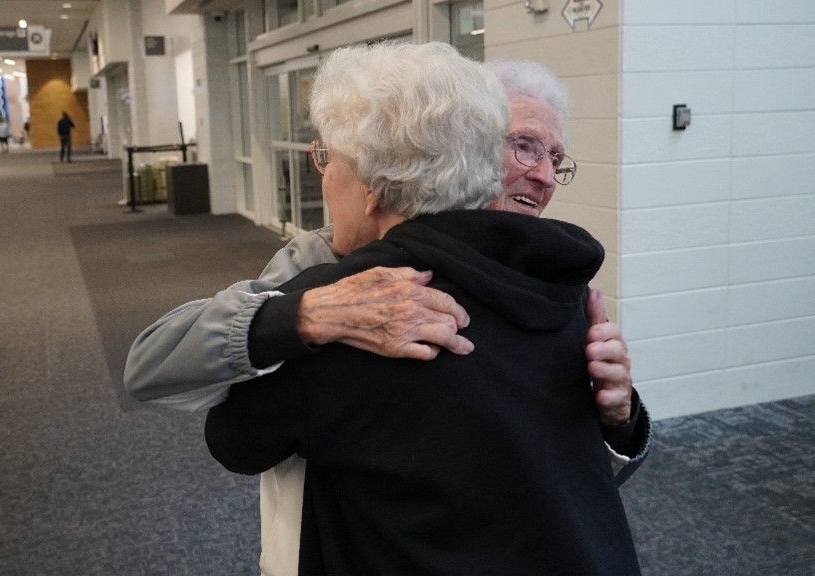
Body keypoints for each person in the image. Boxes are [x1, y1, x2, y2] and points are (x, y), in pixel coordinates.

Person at [124, 54, 649, 572]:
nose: (543, 176)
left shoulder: (560, 291)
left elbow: (234, 440)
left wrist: (619, 418)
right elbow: (153, 368)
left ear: (374, 186)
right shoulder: (325, 277)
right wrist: (300, 315)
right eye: (522, 146)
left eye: (554, 159)